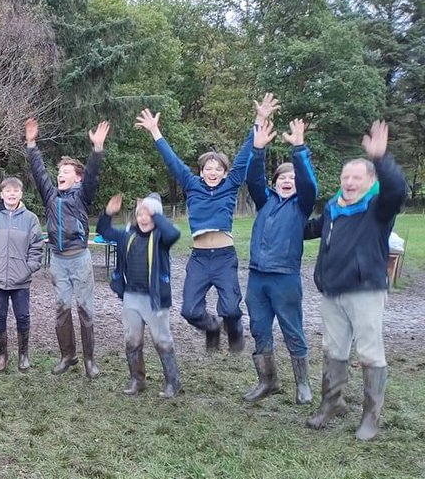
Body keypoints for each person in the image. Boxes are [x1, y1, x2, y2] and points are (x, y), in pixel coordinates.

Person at [137, 94, 275, 352]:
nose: (213, 172)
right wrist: (155, 131)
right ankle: (211, 327)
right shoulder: (191, 185)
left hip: (224, 257)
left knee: (231, 309)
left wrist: (259, 119)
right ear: (201, 172)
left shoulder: (231, 184)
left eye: (218, 169)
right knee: (189, 310)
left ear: (225, 172)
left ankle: (235, 329)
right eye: (208, 168)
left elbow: (245, 153)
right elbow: (172, 161)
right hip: (199, 258)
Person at [303, 120, 407, 440]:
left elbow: (397, 190)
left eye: (356, 177)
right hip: (332, 290)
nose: (349, 182)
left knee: (369, 353)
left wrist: (381, 158)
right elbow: (310, 229)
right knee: (333, 349)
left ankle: (371, 417)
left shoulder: (378, 208)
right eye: (345, 177)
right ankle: (331, 404)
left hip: (365, 291)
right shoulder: (334, 209)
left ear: (370, 181)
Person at [26, 117, 107, 378]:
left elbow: (92, 176)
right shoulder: (51, 197)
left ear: (77, 178)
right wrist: (31, 145)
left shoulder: (82, 196)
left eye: (66, 172)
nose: (60, 174)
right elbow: (39, 173)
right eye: (59, 172)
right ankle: (67, 356)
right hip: (58, 261)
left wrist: (97, 149)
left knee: (85, 309)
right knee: (61, 309)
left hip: (79, 259)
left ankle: (90, 361)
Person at [243, 118, 317, 404]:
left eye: (292, 178)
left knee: (292, 329)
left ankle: (303, 384)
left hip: (285, 278)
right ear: (274, 183)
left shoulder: (302, 206)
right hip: (257, 278)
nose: (287, 181)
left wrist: (299, 149)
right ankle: (267, 381)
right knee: (259, 328)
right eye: (282, 178)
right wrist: (258, 149)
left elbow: (309, 182)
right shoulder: (265, 201)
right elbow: (253, 178)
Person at [97, 192, 183, 398]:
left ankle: (173, 382)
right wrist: (108, 213)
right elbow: (104, 231)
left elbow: (173, 234)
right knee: (132, 340)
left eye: (149, 215)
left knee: (162, 341)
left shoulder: (162, 238)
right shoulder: (128, 235)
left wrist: (156, 213)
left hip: (155, 299)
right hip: (131, 297)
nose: (144, 218)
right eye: (140, 214)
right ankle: (137, 380)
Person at [0, 176, 45, 372]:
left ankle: (23, 354)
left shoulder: (30, 219)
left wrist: (29, 267)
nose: (12, 194)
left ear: (21, 194)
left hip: (21, 279)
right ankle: (2, 354)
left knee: (22, 317)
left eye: (15, 191)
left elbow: (36, 247)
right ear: (2, 194)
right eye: (8, 191)